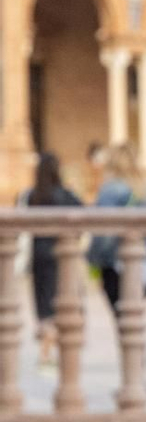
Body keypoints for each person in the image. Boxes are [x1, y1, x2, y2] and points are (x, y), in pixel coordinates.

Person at [87, 143, 146, 313]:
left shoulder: (110, 189)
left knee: (124, 316)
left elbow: (103, 233)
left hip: (117, 264)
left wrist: (93, 260)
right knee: (132, 315)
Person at [20, 150, 82, 364]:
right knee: (61, 300)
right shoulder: (64, 195)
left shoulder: (32, 195)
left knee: (43, 303)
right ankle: (52, 350)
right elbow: (84, 215)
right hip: (60, 255)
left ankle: (46, 350)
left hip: (38, 255)